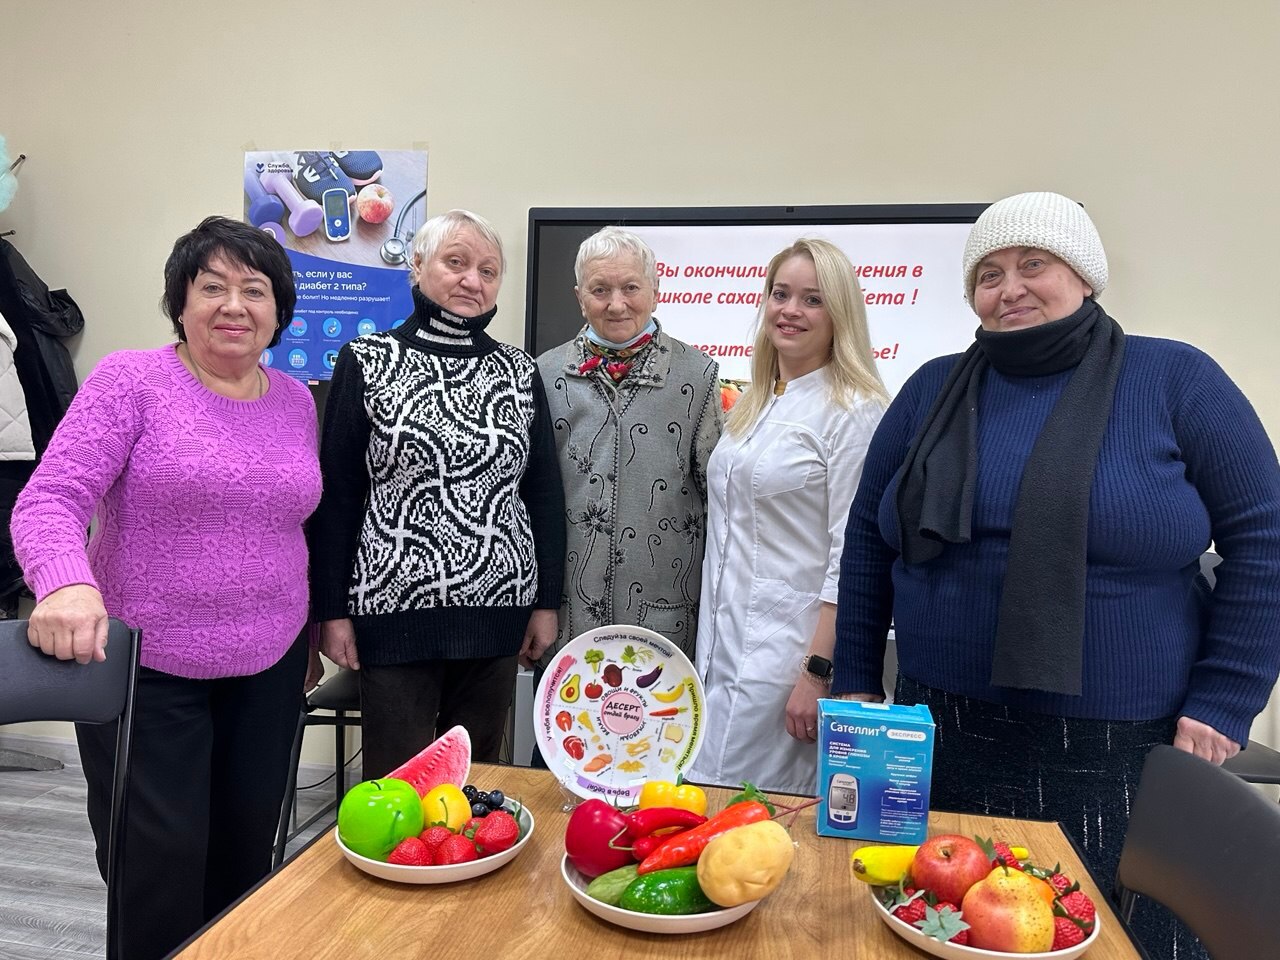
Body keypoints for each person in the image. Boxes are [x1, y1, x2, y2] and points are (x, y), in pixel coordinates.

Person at [831, 191, 1280, 959]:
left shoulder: (1176, 379)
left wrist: (1227, 697)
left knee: (1114, 936)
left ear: (1084, 274)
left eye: (1033, 264)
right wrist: (854, 680)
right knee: (944, 926)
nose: (1010, 289)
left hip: (1119, 746)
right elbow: (870, 545)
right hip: (940, 730)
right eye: (989, 274)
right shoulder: (931, 389)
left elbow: (1265, 540)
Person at [11, 216, 323, 960]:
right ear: (180, 303)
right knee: (157, 873)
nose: (233, 305)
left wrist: (308, 634)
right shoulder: (131, 381)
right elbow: (50, 498)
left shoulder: (296, 401)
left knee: (247, 865)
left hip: (271, 665)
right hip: (148, 670)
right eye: (211, 287)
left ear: (278, 310)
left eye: (254, 290)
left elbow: (289, 524)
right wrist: (64, 585)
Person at [311, 209, 564, 779]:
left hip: (499, 610)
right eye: (456, 263)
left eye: (488, 271)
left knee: (478, 783)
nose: (472, 281)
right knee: (398, 786)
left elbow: (543, 492)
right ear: (418, 265)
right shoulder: (367, 360)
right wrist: (332, 611)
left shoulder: (519, 370)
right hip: (392, 610)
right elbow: (339, 496)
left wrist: (545, 603)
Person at [688, 238, 889, 796]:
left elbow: (854, 554)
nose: (790, 310)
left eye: (813, 299)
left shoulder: (855, 411)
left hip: (790, 663)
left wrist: (818, 672)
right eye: (781, 294)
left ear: (840, 313)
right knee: (710, 808)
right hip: (719, 651)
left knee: (767, 819)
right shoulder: (753, 403)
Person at [536, 226, 722, 663]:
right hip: (567, 615)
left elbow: (718, 501)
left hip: (664, 613)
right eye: (600, 289)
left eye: (631, 288)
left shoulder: (698, 376)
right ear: (580, 297)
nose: (616, 304)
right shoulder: (544, 374)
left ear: (656, 291)